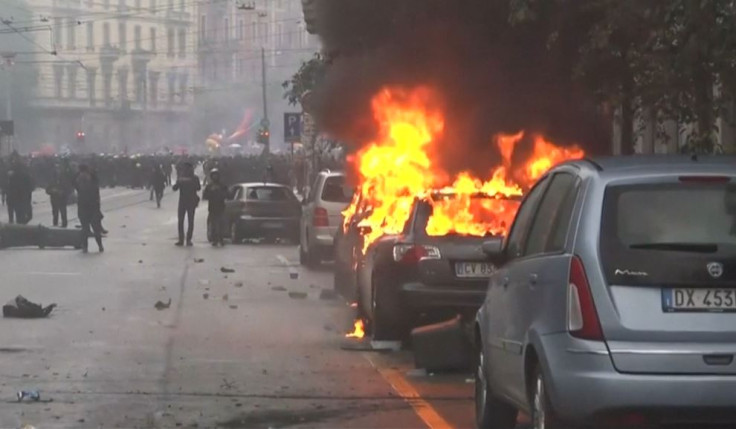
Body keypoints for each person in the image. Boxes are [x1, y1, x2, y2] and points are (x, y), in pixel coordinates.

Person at [75, 164, 104, 253]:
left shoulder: (78, 180)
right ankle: (100, 246)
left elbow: (72, 181)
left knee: (85, 228)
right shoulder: (92, 180)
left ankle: (85, 247)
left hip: (83, 206)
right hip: (93, 206)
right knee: (96, 228)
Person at [172, 162, 200, 246]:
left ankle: (185, 239)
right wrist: (180, 182)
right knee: (184, 221)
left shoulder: (193, 178)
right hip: (185, 201)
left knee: (187, 221)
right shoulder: (191, 178)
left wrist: (183, 182)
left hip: (187, 201)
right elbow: (175, 188)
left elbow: (198, 187)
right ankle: (184, 239)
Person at [202, 168, 229, 247]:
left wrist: (221, 194)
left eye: (216, 175)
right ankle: (214, 239)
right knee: (213, 224)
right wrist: (211, 193)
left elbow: (227, 194)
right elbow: (205, 196)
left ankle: (221, 239)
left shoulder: (222, 185)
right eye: (213, 175)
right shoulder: (209, 186)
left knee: (221, 224)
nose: (215, 177)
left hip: (221, 207)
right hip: (212, 207)